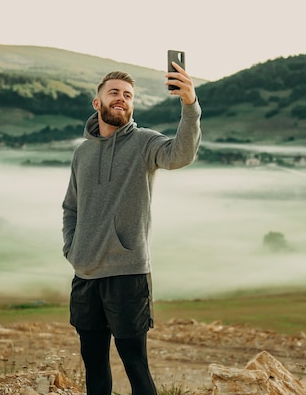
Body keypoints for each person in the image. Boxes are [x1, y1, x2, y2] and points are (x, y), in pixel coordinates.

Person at [61, 63, 201, 395]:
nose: (121, 99)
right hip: (85, 275)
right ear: (97, 103)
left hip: (128, 273)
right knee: (94, 367)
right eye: (114, 93)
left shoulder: (144, 142)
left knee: (135, 365)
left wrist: (189, 105)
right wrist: (72, 248)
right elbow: (71, 208)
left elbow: (180, 155)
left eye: (128, 95)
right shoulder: (81, 154)